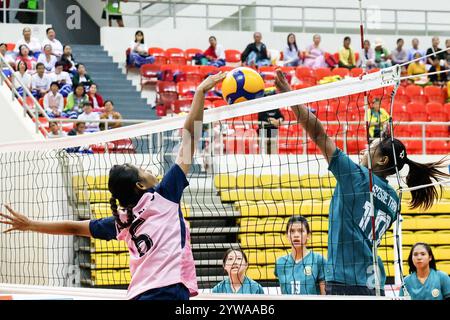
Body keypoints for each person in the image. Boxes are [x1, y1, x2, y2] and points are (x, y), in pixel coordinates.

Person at [0, 72, 227, 300]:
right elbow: (190, 138)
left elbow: (73, 228)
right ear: (140, 185)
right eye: (143, 170)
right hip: (168, 290)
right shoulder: (164, 196)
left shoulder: (122, 221)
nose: (149, 170)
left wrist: (30, 224)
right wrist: (200, 92)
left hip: (139, 294)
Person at [274, 69, 450, 295]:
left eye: (373, 147)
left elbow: (319, 134)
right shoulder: (394, 200)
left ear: (383, 159)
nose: (368, 147)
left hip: (344, 279)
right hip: (373, 281)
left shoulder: (355, 176)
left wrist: (291, 98)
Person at [275, 216, 326, 295]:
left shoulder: (318, 260)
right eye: (292, 231)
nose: (296, 235)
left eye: (301, 231)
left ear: (308, 235)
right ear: (287, 236)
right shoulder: (280, 263)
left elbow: (325, 296)